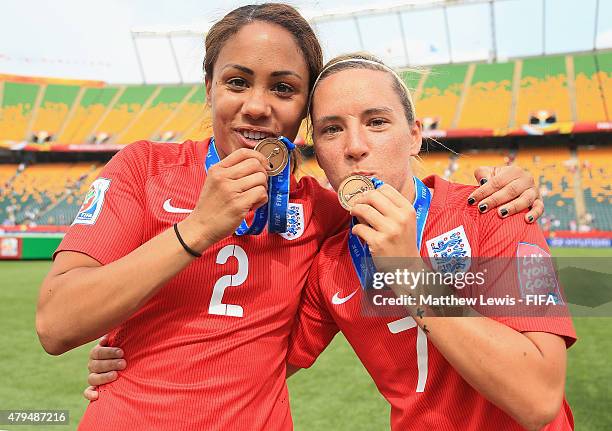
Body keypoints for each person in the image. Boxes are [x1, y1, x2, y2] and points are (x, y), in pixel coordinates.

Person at [48, 4, 540, 430]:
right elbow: (56, 324)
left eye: (282, 89)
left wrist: (518, 187)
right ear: (210, 87)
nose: (257, 106)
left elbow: (538, 399)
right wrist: (197, 229)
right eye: (237, 82)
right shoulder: (143, 168)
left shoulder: (328, 216)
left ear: (300, 112)